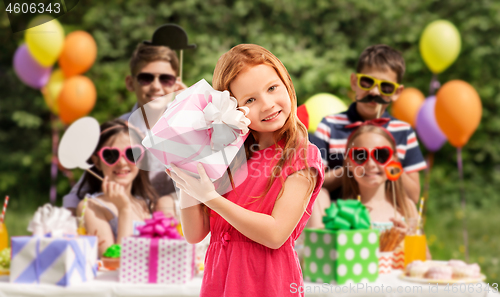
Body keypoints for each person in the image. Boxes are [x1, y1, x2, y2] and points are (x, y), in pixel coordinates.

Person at [166, 44, 325, 297]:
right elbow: (195, 234)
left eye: (273, 88)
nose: (267, 104)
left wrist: (211, 198)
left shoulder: (301, 155)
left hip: (269, 284)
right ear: (231, 109)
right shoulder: (227, 156)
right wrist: (189, 165)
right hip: (220, 283)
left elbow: (275, 234)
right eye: (250, 99)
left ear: (287, 83)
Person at [63, 42, 187, 218]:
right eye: (146, 78)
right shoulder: (119, 129)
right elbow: (85, 184)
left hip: (178, 216)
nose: (156, 86)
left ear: (176, 84)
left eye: (166, 79)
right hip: (132, 213)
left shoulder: (189, 124)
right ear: (130, 82)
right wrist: (67, 221)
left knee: (164, 204)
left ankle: (165, 243)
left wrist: (193, 116)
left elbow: (211, 178)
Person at [311, 44, 427, 206]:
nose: (374, 92)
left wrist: (388, 164)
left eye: (386, 87)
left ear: (397, 93)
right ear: (354, 82)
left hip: (387, 222)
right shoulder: (330, 126)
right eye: (367, 82)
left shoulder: (403, 132)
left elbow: (413, 197)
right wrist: (351, 166)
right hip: (339, 220)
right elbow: (313, 187)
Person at [341, 122, 431, 258]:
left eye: (381, 155)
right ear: (348, 162)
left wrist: (410, 239)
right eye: (360, 155)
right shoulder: (344, 212)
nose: (371, 164)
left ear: (394, 160)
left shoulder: (406, 207)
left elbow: (426, 260)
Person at [76, 119, 158, 256]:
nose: (122, 162)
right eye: (111, 155)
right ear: (96, 162)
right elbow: (115, 263)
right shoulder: (91, 207)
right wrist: (124, 210)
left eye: (131, 153)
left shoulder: (147, 204)